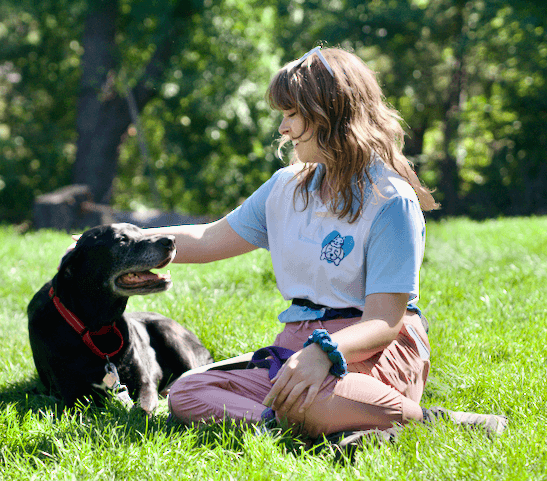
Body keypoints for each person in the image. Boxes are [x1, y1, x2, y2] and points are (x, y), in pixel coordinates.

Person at [105, 46, 506, 441]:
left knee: (310, 401)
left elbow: (384, 323)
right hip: (297, 346)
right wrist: (127, 246)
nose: (282, 128)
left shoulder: (391, 201)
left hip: (371, 349)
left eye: (292, 114)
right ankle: (314, 427)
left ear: (330, 114)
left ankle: (438, 421)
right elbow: (210, 238)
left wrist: (323, 353)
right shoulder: (287, 187)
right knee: (189, 392)